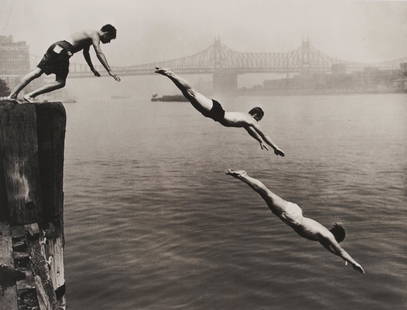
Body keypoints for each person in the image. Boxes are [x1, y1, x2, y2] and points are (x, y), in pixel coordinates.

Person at [225, 169, 365, 274]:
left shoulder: (323, 235)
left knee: (266, 194)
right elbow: (340, 251)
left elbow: (333, 250)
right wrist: (355, 263)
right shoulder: (327, 237)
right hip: (292, 216)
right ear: (336, 238)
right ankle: (243, 175)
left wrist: (344, 259)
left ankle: (244, 176)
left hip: (294, 212)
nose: (334, 244)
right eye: (336, 242)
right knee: (265, 193)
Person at [155, 67, 285, 156]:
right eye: (258, 120)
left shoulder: (246, 121)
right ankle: (170, 74)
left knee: (188, 94)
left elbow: (252, 132)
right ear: (256, 115)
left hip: (213, 113)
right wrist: (275, 147)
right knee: (191, 93)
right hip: (217, 112)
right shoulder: (250, 119)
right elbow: (264, 134)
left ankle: (170, 75)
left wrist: (259, 141)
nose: (257, 123)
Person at [7, 24, 121, 103]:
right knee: (60, 82)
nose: (109, 41)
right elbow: (99, 52)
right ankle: (30, 95)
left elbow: (86, 53)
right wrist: (110, 71)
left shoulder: (89, 34)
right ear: (106, 33)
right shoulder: (95, 35)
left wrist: (92, 68)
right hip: (65, 51)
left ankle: (12, 95)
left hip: (56, 46)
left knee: (37, 72)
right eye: (110, 38)